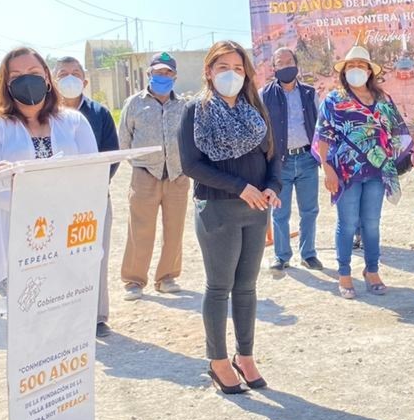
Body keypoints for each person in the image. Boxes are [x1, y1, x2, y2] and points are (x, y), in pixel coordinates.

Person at [178, 40, 280, 395]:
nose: (231, 75)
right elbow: (191, 164)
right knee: (219, 287)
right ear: (208, 71)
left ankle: (245, 356)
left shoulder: (255, 109)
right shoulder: (195, 111)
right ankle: (218, 360)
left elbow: (273, 154)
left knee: (247, 287)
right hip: (218, 208)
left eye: (238, 69)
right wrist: (240, 187)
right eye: (223, 68)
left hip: (256, 210)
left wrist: (272, 186)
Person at [0, 48, 98, 297]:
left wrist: (60, 207)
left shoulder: (74, 122)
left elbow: (91, 171)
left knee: (64, 304)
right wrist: (36, 208)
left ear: (48, 79)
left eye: (33, 72)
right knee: (25, 308)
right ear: (6, 85)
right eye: (16, 75)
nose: (26, 79)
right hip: (15, 230)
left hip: (67, 227)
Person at [314, 45, 411, 299]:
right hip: (345, 172)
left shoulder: (383, 100)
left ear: (370, 71)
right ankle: (344, 274)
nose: (356, 70)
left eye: (361, 66)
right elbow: (323, 136)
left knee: (371, 224)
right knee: (346, 224)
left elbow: (399, 131)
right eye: (351, 66)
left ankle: (372, 270)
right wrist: (327, 169)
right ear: (344, 72)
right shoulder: (333, 100)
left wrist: (394, 158)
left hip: (377, 172)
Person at [55, 56, 119, 337]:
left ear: (85, 80)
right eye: (63, 73)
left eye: (75, 73)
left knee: (95, 255)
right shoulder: (44, 114)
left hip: (94, 198)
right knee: (59, 258)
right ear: (52, 80)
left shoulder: (100, 113)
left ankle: (96, 316)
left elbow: (112, 155)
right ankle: (63, 315)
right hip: (55, 200)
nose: (70, 78)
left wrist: (92, 185)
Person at [119, 51, 189, 297]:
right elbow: (124, 140)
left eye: (167, 72)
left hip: (177, 176)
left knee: (174, 229)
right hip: (145, 174)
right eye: (158, 72)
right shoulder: (135, 104)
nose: (162, 76)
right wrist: (140, 165)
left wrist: (183, 168)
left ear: (175, 76)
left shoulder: (183, 105)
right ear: (149, 73)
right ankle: (134, 280)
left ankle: (167, 277)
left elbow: (191, 140)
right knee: (140, 229)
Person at [260, 47, 322, 271]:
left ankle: (308, 254)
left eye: (289, 61)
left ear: (296, 65)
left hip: (307, 159)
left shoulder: (309, 93)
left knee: (309, 210)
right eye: (280, 62)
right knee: (280, 212)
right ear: (274, 68)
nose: (285, 66)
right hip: (279, 164)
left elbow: (321, 126)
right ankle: (282, 256)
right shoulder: (263, 95)